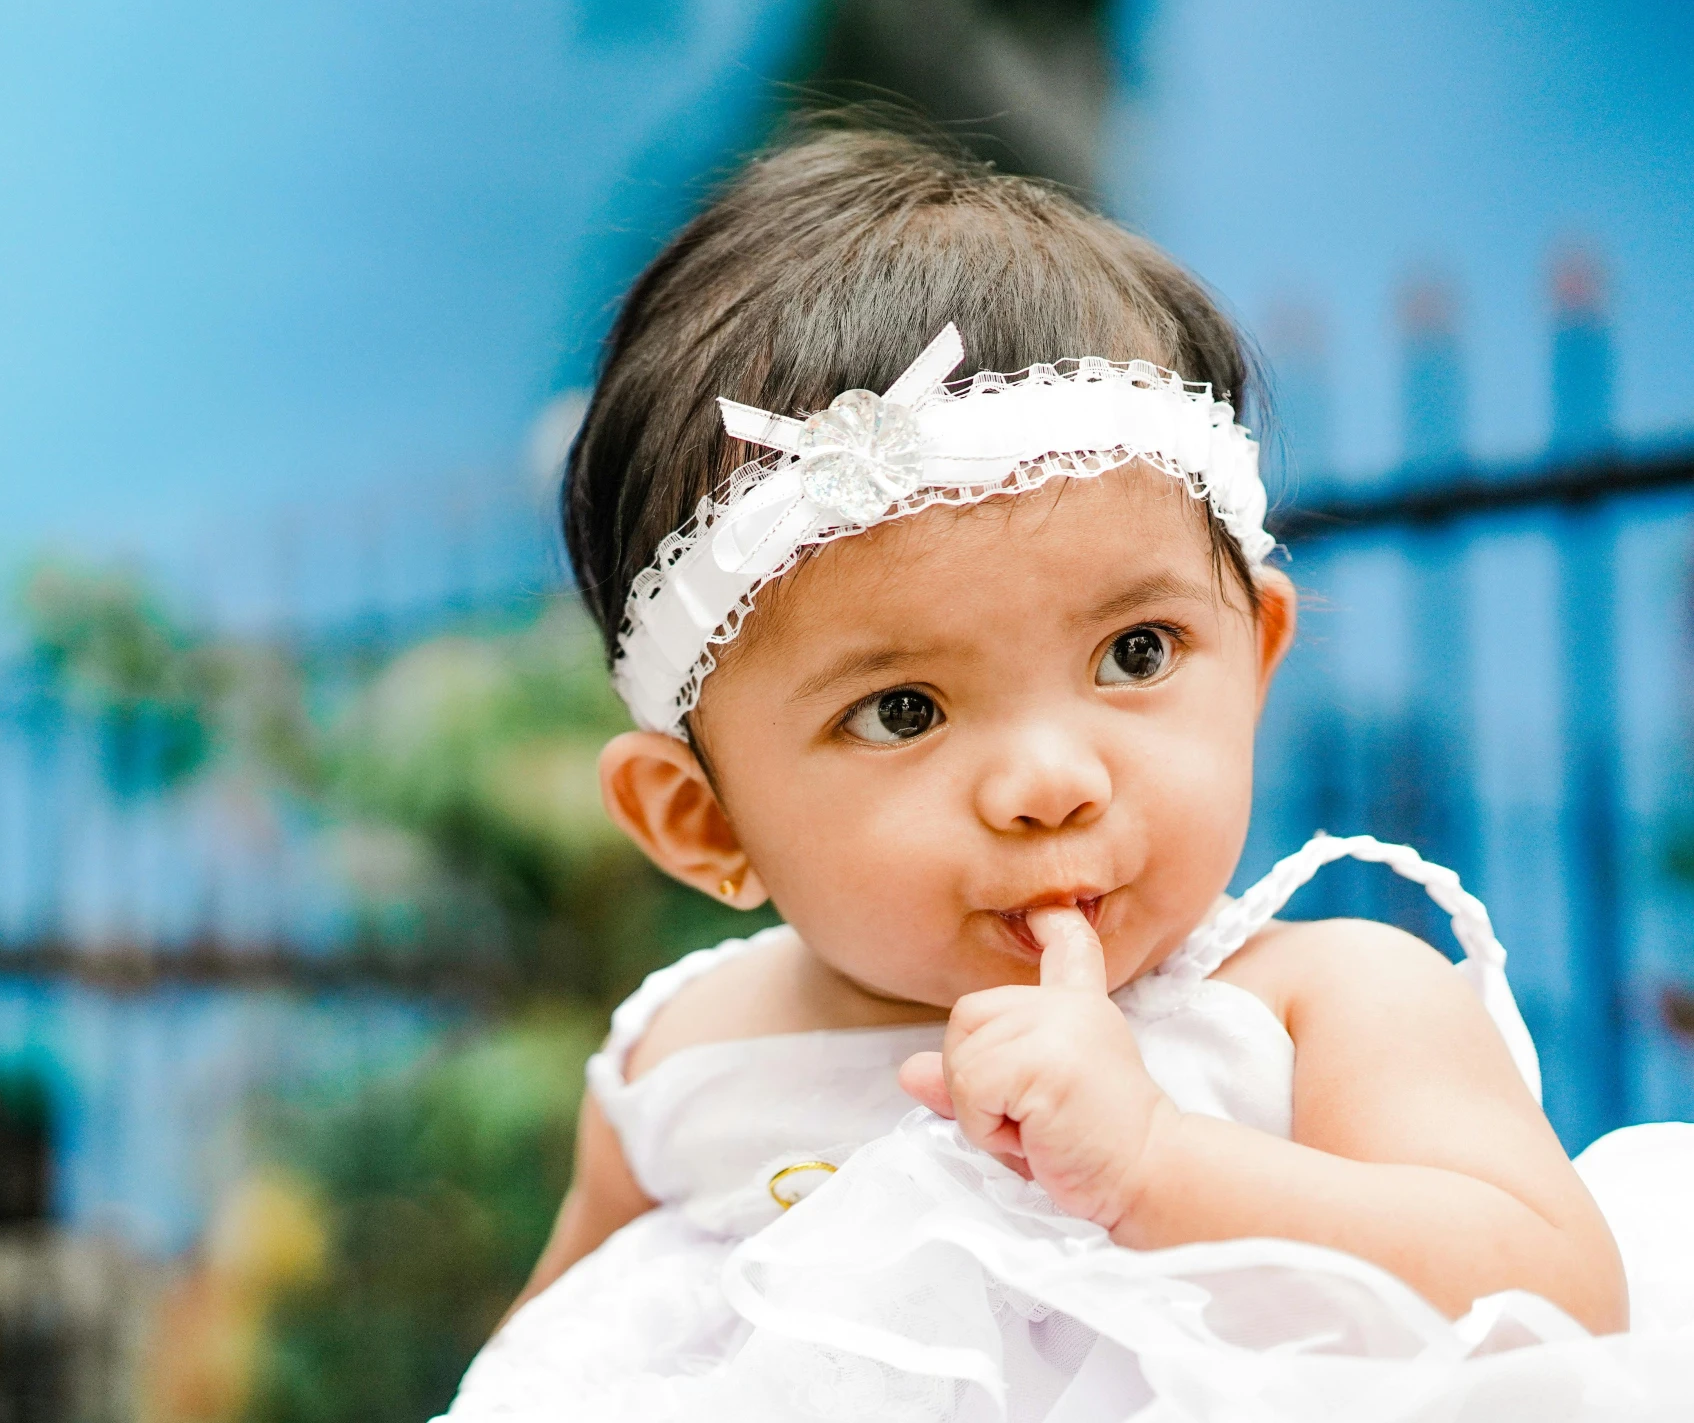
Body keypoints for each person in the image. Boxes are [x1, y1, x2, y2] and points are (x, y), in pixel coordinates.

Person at [439, 126, 1694, 1421]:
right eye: (901, 709)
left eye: (1133, 650)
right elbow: (542, 1369)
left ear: (1254, 655)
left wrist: (1157, 1163)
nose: (1049, 779)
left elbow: (1551, 1293)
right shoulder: (682, 1062)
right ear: (700, 822)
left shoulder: (1325, 1007)